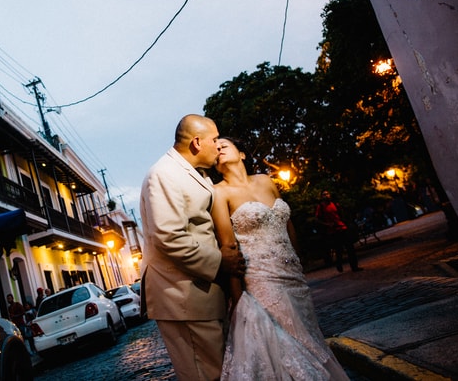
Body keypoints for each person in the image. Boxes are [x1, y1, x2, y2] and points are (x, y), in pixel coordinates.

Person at [210, 137, 349, 380]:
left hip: (293, 276)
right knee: (286, 346)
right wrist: (238, 299)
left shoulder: (265, 180)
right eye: (216, 148)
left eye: (224, 144)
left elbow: (287, 222)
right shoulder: (219, 193)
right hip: (261, 280)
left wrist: (297, 261)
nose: (219, 148)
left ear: (242, 154)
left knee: (309, 337)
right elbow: (228, 247)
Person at [140, 114, 246, 381]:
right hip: (183, 296)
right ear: (197, 143)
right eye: (214, 140)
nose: (218, 145)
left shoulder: (194, 172)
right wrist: (221, 261)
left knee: (219, 370)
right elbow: (169, 236)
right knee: (205, 374)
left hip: (200, 294)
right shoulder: (164, 174)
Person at [315, 190, 362, 272]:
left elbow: (341, 214)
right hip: (333, 231)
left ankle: (354, 266)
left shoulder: (335, 204)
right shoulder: (321, 207)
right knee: (339, 249)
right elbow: (317, 219)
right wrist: (327, 224)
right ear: (321, 197)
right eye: (324, 195)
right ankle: (339, 264)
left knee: (350, 248)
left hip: (342, 227)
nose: (326, 196)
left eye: (327, 194)